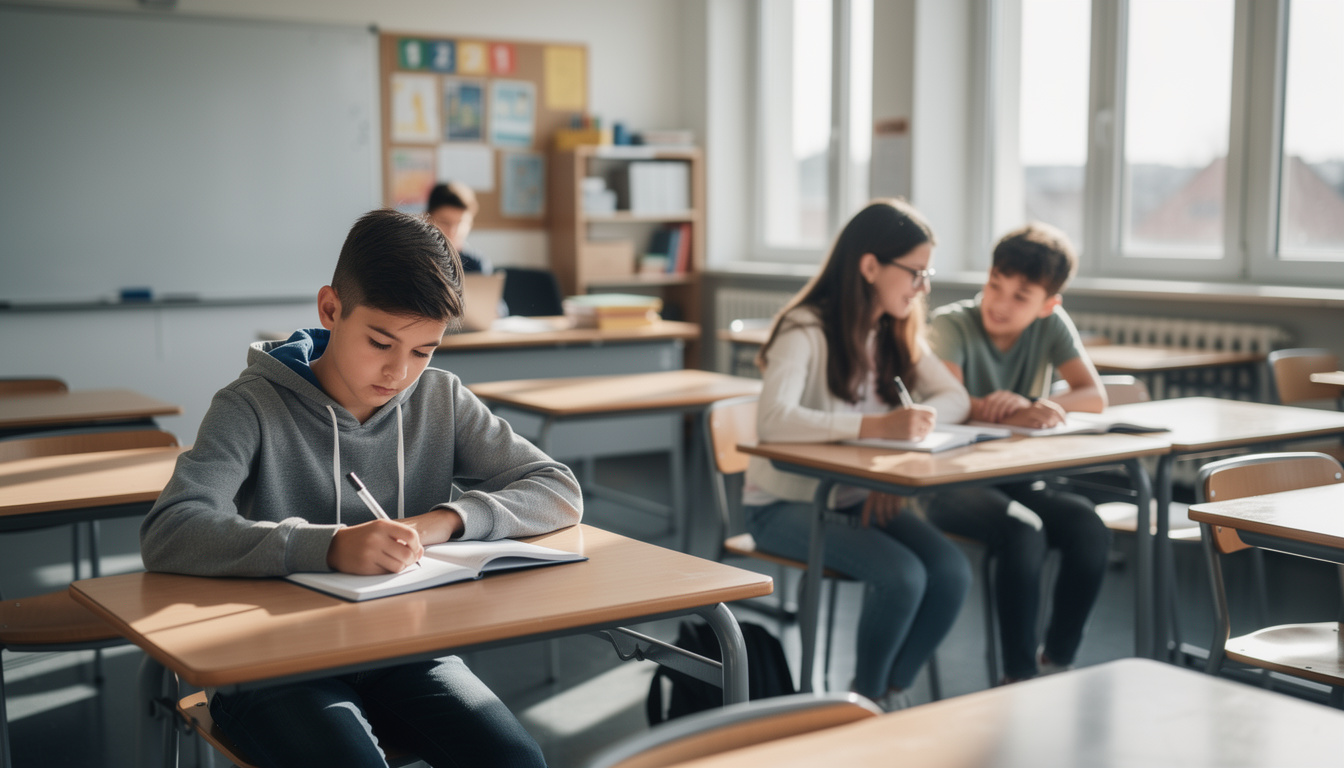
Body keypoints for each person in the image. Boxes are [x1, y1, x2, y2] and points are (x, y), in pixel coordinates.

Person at [140, 209, 582, 768]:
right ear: (330, 309)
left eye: (423, 351)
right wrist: (327, 545)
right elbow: (170, 529)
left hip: (405, 652)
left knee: (518, 761)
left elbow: (558, 488)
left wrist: (445, 520)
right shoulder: (251, 404)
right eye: (380, 342)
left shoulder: (439, 399)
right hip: (273, 664)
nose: (399, 372)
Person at [742, 199, 972, 710]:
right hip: (781, 505)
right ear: (870, 267)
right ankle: (864, 705)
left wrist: (906, 437)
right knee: (903, 577)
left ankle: (889, 690)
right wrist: (879, 426)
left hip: (857, 496)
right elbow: (773, 419)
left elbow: (955, 396)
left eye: (927, 273)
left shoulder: (896, 328)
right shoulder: (804, 328)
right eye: (915, 272)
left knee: (952, 571)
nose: (924, 287)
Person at [924, 221, 1109, 685]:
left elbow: (1093, 396)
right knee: (1023, 533)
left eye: (1020, 296)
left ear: (1049, 305)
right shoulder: (951, 324)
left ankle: (1057, 661)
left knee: (1088, 526)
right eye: (994, 285)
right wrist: (992, 411)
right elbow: (950, 409)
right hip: (948, 480)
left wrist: (1029, 406)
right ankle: (1019, 676)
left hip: (1018, 474)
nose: (999, 304)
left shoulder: (1051, 327)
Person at [427, 181, 491, 273]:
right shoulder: (416, 258)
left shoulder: (476, 263)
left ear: (470, 224)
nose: (453, 230)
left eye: (460, 223)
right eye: (445, 222)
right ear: (428, 219)